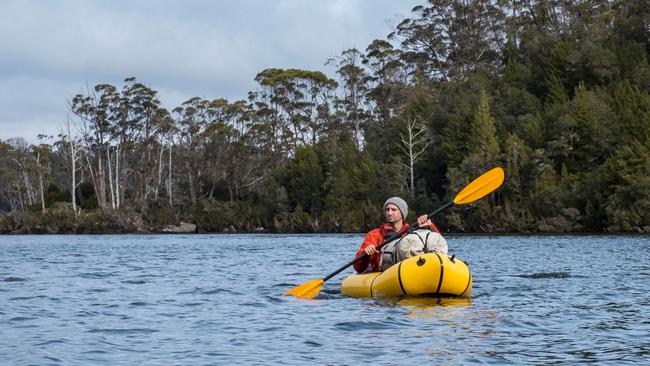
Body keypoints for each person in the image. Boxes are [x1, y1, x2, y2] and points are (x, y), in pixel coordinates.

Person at [353, 197, 442, 273]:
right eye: (387, 209)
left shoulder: (413, 232)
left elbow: (439, 245)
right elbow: (358, 267)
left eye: (394, 209)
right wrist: (366, 253)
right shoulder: (374, 235)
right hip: (384, 275)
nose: (389, 213)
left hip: (411, 271)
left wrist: (430, 226)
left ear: (402, 214)